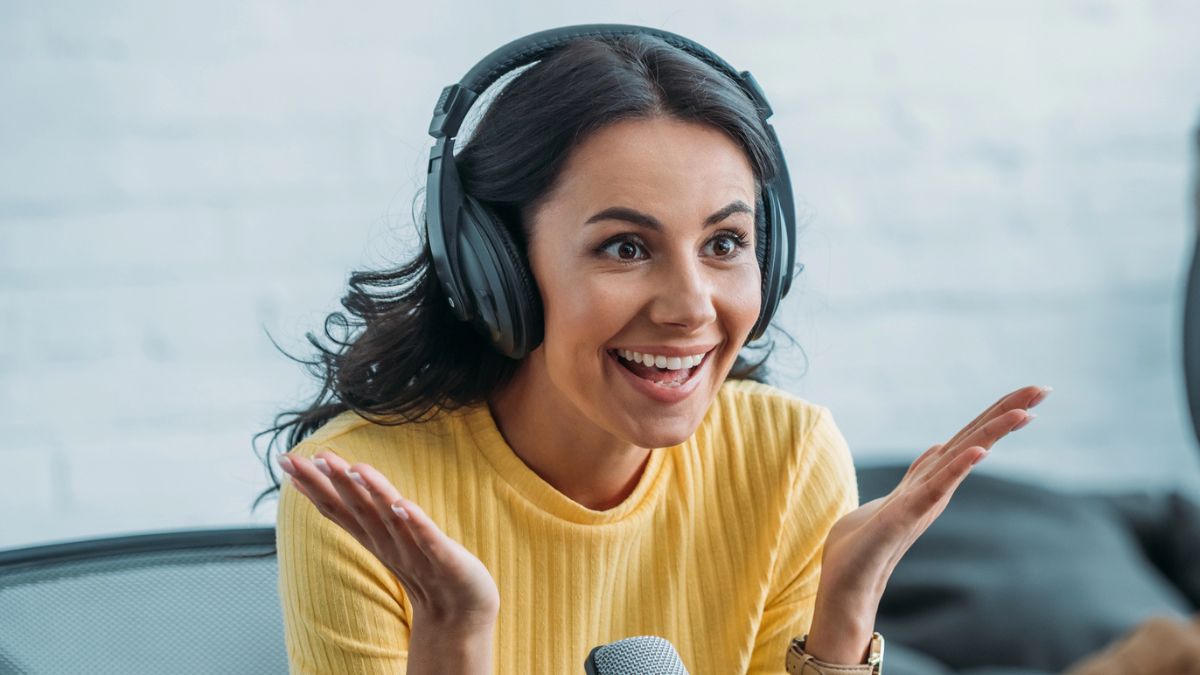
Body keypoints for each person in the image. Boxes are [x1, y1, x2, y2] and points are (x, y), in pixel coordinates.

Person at [255, 26, 1048, 674]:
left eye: (726, 242)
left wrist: (843, 611)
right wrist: (455, 632)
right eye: (626, 247)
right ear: (498, 268)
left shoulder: (788, 457)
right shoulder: (363, 497)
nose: (691, 307)